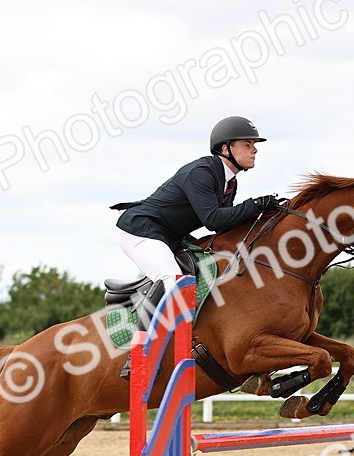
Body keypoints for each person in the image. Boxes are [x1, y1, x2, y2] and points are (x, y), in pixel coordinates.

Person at [112, 116, 280, 378]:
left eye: (254, 145)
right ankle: (138, 356)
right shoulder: (202, 172)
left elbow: (225, 225)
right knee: (172, 279)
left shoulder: (229, 181)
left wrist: (264, 214)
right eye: (247, 144)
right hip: (140, 230)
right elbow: (213, 220)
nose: (255, 149)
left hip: (170, 235)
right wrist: (254, 205)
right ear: (226, 149)